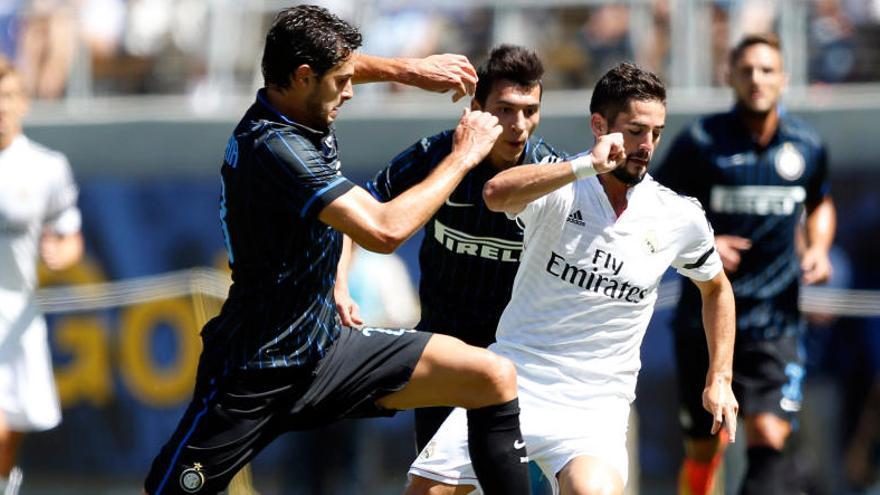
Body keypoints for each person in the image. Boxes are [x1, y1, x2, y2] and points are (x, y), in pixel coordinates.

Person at [143, 6, 531, 495]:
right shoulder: (275, 147)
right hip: (257, 368)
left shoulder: (298, 96)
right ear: (304, 78)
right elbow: (384, 231)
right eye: (342, 80)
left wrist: (406, 70)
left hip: (327, 348)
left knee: (491, 376)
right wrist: (464, 156)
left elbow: (339, 65)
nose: (351, 90)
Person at [406, 62, 739, 495]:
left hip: (595, 407)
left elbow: (716, 288)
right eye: (636, 130)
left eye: (656, 132)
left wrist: (720, 377)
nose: (646, 144)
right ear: (599, 126)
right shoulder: (561, 185)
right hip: (512, 383)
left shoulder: (678, 216)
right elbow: (495, 193)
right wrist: (585, 166)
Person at [335, 43, 560, 453]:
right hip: (442, 352)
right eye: (505, 109)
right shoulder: (437, 155)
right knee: (433, 478)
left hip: (518, 359)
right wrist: (339, 286)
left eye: (530, 111)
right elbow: (352, 213)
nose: (519, 124)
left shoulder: (550, 174)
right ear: (474, 106)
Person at [652, 33, 837, 495]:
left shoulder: (807, 146)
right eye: (747, 70)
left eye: (767, 70)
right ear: (729, 76)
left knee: (769, 438)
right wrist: (706, 241)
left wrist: (817, 247)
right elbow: (651, 205)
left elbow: (819, 202)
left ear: (784, 79)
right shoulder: (700, 142)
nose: (757, 79)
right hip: (706, 322)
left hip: (776, 322)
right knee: (703, 450)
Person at [0, 59, 83, 495]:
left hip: (15, 318)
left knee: (8, 438)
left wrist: (60, 254)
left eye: (8, 96)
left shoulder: (46, 167)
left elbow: (70, 237)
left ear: (23, 103)